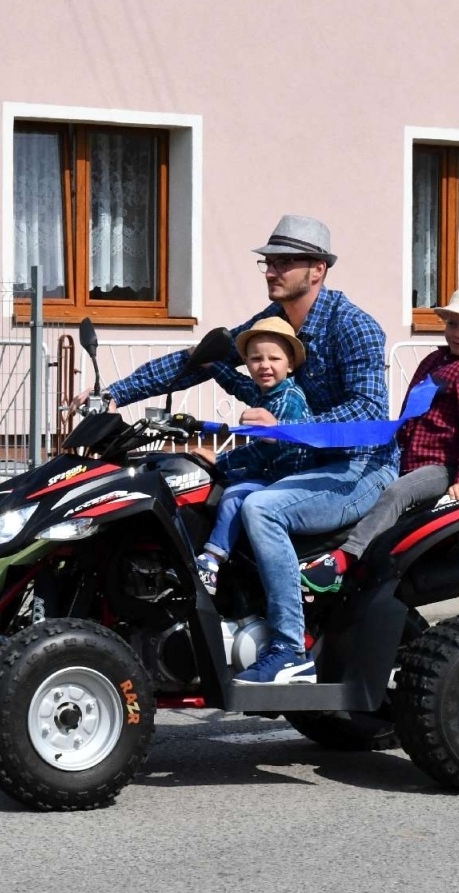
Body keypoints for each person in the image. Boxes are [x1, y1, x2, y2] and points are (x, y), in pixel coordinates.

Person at [84, 214, 394, 686]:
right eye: (268, 262)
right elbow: (201, 360)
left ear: (318, 270)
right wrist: (114, 396)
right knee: (201, 486)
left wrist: (291, 427)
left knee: (264, 509)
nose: (271, 271)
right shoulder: (271, 326)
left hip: (355, 469)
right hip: (296, 463)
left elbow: (369, 412)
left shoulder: (355, 328)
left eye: (284, 262)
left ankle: (290, 650)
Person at [335, 280, 459, 571]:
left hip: (441, 466)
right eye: (453, 324)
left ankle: (346, 558)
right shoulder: (436, 359)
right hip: (410, 457)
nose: (458, 334)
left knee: (397, 494)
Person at [194, 317, 313, 595]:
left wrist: (222, 460)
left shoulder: (290, 399)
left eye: (274, 358)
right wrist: (210, 364)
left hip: (286, 478)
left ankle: (212, 559)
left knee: (234, 496)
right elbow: (238, 384)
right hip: (269, 472)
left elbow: (269, 447)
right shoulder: (266, 393)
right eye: (256, 359)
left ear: (290, 364)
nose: (265, 365)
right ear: (247, 362)